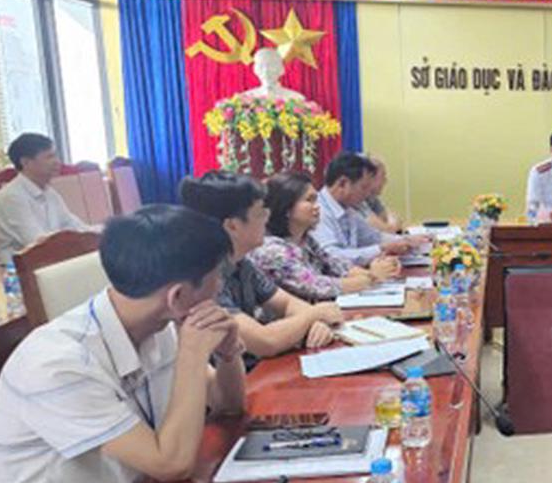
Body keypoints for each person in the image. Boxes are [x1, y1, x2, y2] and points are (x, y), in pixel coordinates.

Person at [0, 204, 246, 483]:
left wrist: (227, 355)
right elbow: (171, 463)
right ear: (177, 296)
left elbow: (228, 406)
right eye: (216, 277)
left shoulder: (158, 326)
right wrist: (194, 355)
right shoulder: (57, 364)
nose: (220, 287)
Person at [179, 171, 340, 359]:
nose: (267, 218)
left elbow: (286, 303)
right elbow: (265, 342)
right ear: (232, 226)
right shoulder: (204, 279)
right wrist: (314, 315)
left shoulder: (242, 263)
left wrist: (314, 322)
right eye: (260, 213)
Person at [251, 171, 398, 302]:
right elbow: (316, 286)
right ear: (287, 208)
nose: (317, 206)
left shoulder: (306, 240)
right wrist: (372, 277)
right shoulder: (272, 251)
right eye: (309, 200)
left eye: (316, 200)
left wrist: (376, 271)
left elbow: (337, 266)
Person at [0, 132, 91, 263]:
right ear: (25, 162)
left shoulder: (50, 193)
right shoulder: (11, 197)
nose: (57, 162)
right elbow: (36, 243)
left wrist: (100, 235)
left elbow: (73, 225)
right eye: (49, 157)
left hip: (50, 261)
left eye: (55, 155)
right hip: (18, 268)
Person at [316, 152, 419, 264]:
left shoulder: (348, 209)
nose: (367, 194)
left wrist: (407, 241)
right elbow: (331, 257)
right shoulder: (318, 211)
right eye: (363, 187)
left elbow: (374, 237)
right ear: (343, 184)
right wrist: (381, 249)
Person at [361, 154, 402, 235]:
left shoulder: (373, 198)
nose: (386, 180)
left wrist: (389, 225)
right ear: (371, 178)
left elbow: (392, 218)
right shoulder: (358, 201)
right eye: (383, 176)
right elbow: (388, 229)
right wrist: (390, 226)